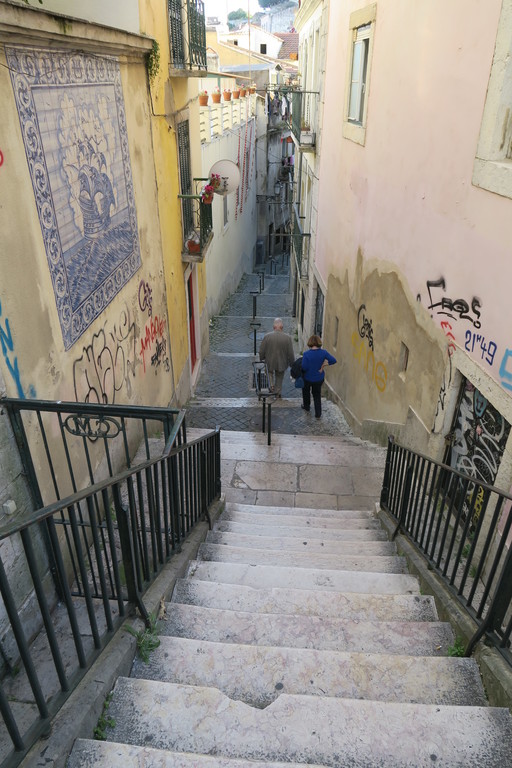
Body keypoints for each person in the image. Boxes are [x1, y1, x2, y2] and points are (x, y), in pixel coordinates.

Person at [301, 334, 337, 418]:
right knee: (317, 395)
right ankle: (318, 413)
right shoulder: (323, 352)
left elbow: (304, 367)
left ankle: (306, 406)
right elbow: (333, 360)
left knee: (306, 392)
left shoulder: (306, 354)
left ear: (310, 343)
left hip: (307, 378)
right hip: (318, 378)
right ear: (318, 342)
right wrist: (323, 366)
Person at [259, 318, 295, 397]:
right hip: (282, 362)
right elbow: (290, 353)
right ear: (282, 327)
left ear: (273, 327)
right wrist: (292, 364)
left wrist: (261, 358)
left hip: (269, 361)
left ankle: (271, 385)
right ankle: (277, 393)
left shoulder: (267, 336)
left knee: (269, 372)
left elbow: (261, 350)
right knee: (279, 377)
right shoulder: (287, 338)